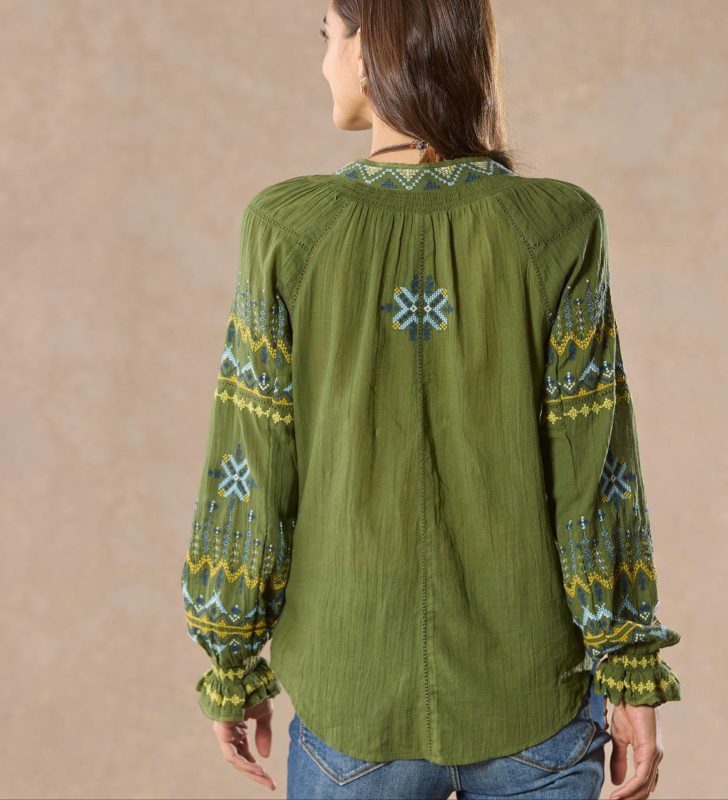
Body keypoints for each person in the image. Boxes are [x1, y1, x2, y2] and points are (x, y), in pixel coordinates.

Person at [179, 1, 682, 798]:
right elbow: (597, 470)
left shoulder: (287, 229)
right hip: (534, 698)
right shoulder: (556, 225)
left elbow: (252, 465)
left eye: (329, 39)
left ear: (368, 52)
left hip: (353, 697)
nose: (324, 64)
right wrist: (630, 668)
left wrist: (231, 663)